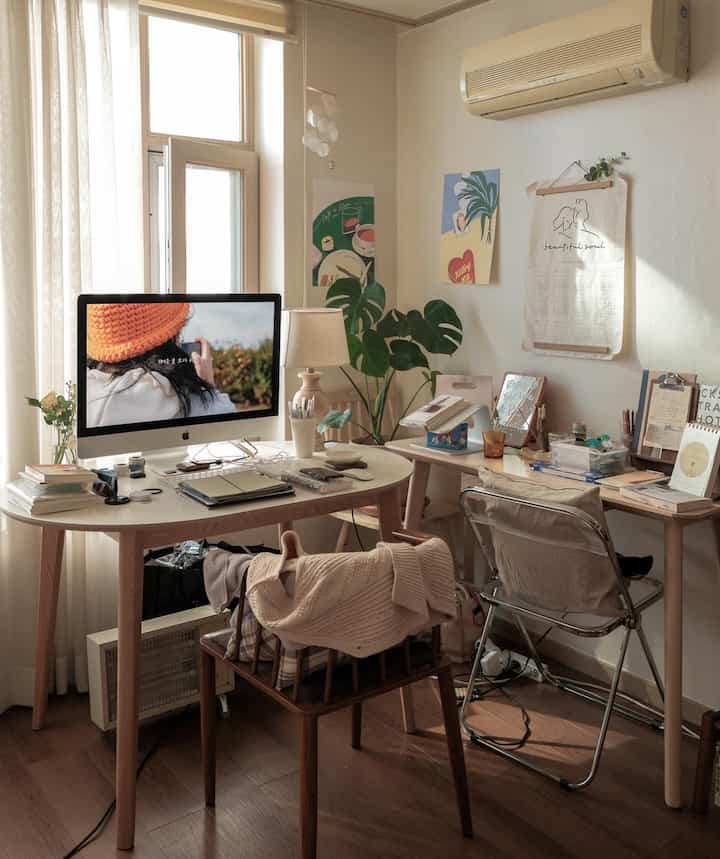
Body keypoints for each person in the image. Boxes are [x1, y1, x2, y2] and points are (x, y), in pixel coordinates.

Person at [85, 302, 234, 428]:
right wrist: (208, 388)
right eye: (179, 331)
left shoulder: (85, 395)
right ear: (168, 341)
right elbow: (226, 424)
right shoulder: (198, 406)